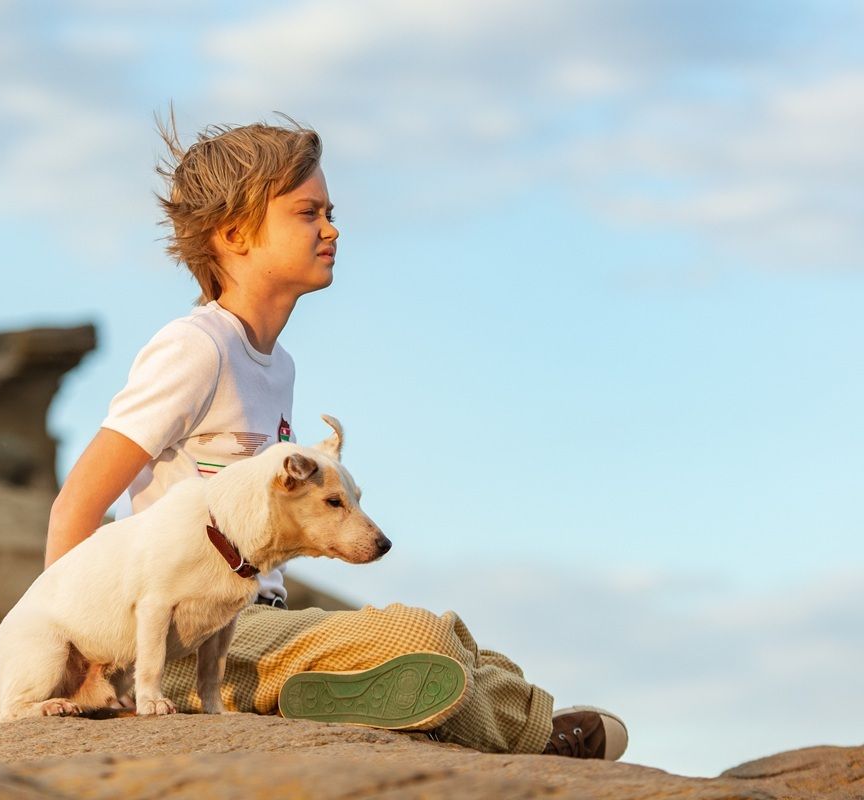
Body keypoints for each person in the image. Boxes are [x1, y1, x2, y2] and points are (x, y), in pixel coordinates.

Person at [44, 113, 628, 760]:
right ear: (235, 233)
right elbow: (79, 503)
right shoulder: (194, 349)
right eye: (307, 213)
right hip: (185, 638)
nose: (331, 229)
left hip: (252, 619)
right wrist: (84, 665)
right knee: (421, 639)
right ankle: (538, 736)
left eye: (330, 211)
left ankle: (344, 691)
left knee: (454, 644)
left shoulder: (275, 365)